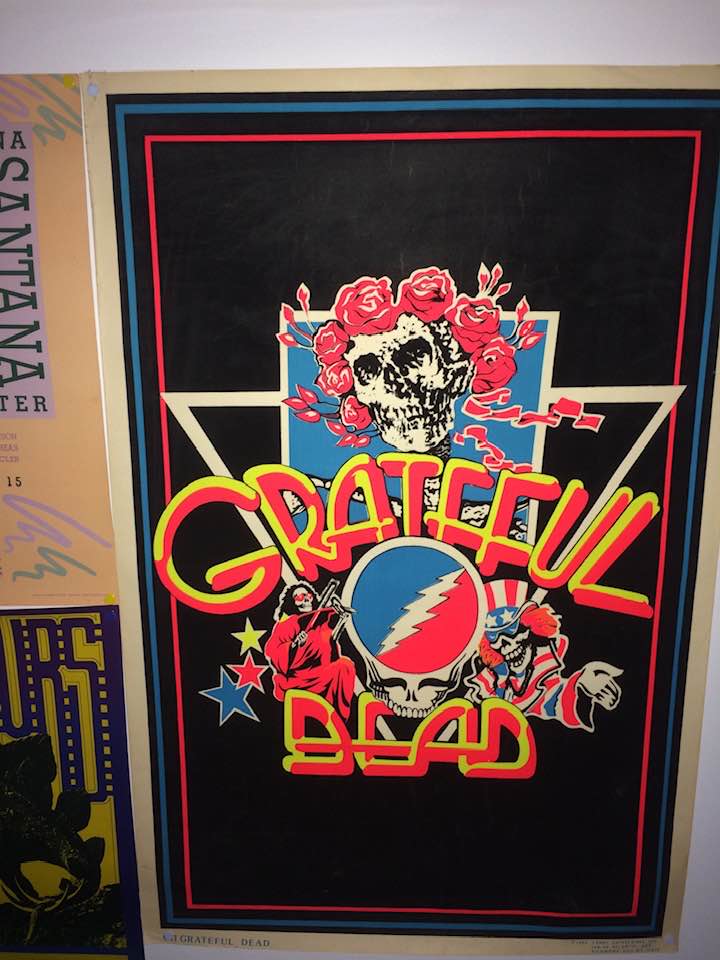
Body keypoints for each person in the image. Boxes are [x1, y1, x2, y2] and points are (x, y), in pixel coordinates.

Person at [467, 579, 622, 731]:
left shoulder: (541, 665)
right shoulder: (485, 683)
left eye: (513, 630)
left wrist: (581, 685)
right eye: (494, 637)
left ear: (533, 626)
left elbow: (555, 701)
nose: (506, 644)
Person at [264, 581, 356, 720]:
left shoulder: (321, 624)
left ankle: (338, 718)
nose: (306, 599)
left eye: (308, 595)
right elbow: (273, 652)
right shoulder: (286, 624)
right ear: (291, 603)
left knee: (345, 665)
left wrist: (341, 619)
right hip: (300, 680)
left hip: (323, 673)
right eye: (299, 597)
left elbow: (330, 650)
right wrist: (294, 645)